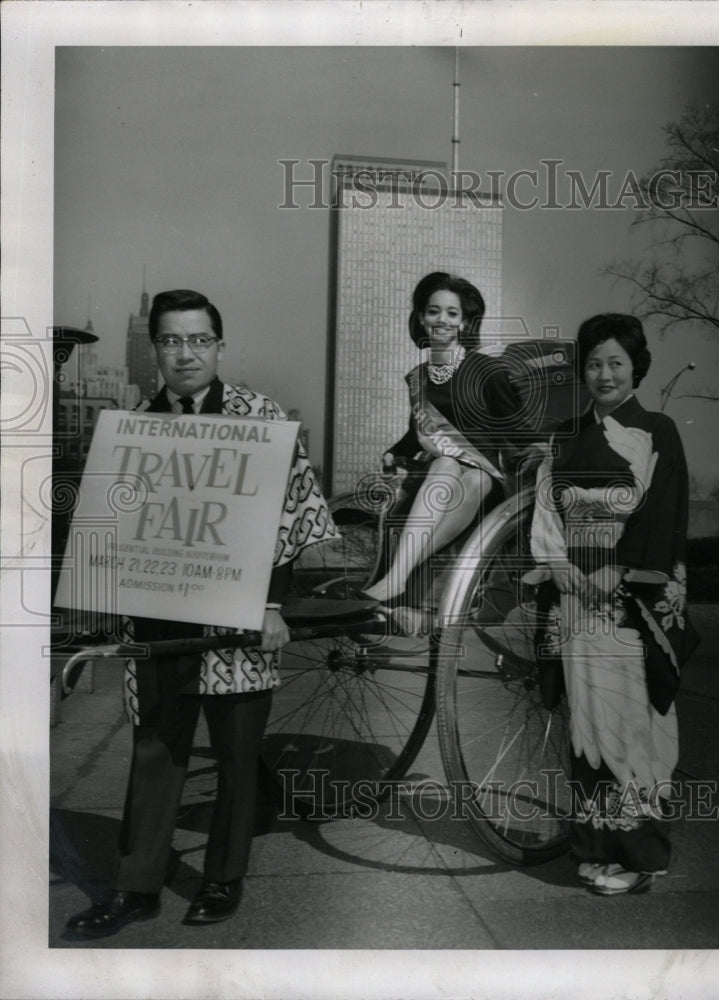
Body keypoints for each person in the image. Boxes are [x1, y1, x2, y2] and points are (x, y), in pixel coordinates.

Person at [64, 289, 338, 937]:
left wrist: (272, 603)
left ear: (218, 345)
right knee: (156, 749)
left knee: (238, 751)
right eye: (170, 340)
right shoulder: (133, 424)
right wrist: (101, 599)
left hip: (240, 611)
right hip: (157, 614)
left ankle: (222, 877)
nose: (183, 353)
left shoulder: (259, 416)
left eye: (196, 340)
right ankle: (137, 886)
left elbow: (292, 510)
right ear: (154, 347)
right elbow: (112, 527)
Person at [528, 313, 698, 895]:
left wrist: (621, 571)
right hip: (576, 598)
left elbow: (663, 515)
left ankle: (640, 856)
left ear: (635, 368)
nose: (604, 374)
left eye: (615, 363)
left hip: (627, 601)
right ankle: (595, 847)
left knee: (632, 723)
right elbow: (547, 513)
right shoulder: (565, 439)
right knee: (588, 724)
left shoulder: (657, 431)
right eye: (595, 363)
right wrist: (558, 564)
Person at [363, 272, 521, 613]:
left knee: (474, 475)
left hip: (485, 480)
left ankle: (397, 573)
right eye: (434, 311)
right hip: (441, 475)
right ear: (421, 318)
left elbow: (517, 429)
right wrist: (394, 452)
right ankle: (399, 576)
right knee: (447, 463)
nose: (442, 320)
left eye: (452, 313)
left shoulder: (487, 371)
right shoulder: (418, 378)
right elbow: (414, 434)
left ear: (464, 323)